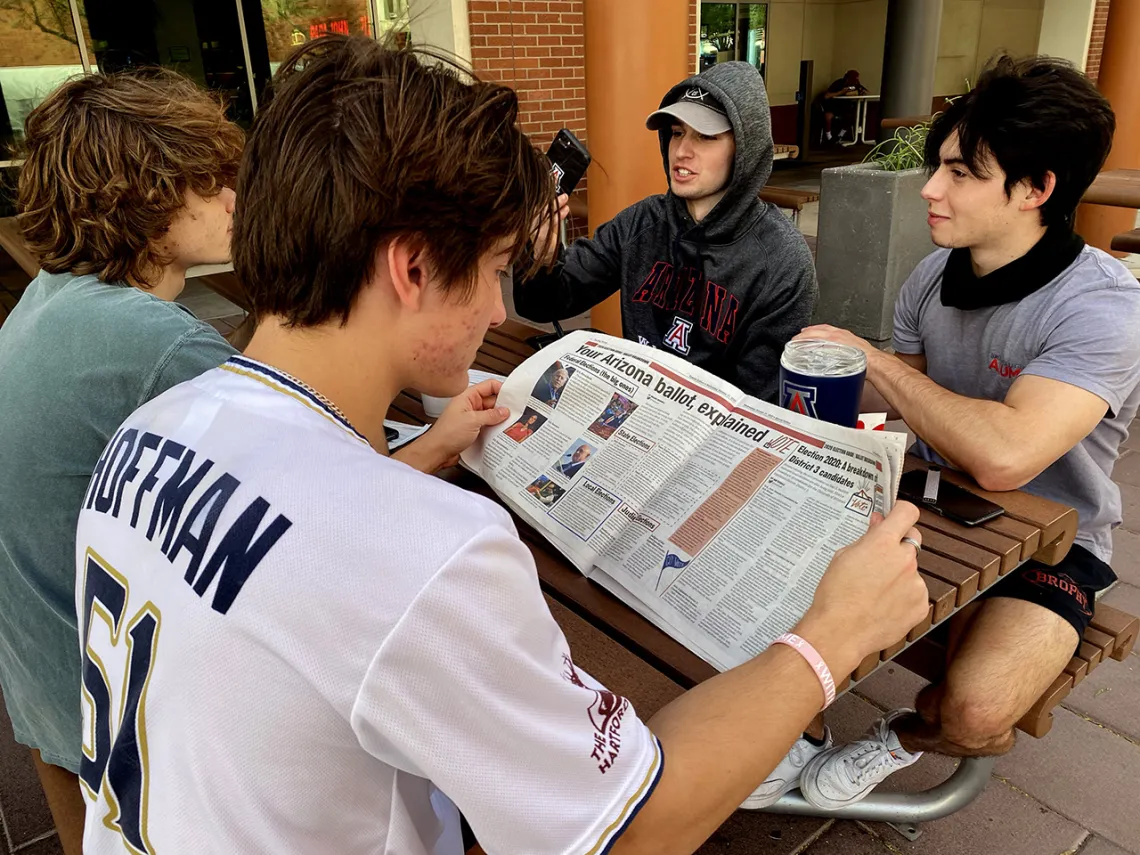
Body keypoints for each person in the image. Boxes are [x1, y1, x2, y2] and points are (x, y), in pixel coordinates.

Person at [75, 35, 928, 854]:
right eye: (489, 269)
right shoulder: (430, 551)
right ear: (411, 268)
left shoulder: (146, 434)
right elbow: (631, 828)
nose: (495, 310)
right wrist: (831, 636)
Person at [792, 55, 1136, 809]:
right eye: (935, 166)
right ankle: (787, 729)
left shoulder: (1104, 307)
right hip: (934, 503)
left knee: (975, 710)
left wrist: (877, 363)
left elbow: (1008, 456)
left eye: (960, 172)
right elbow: (908, 421)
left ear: (1036, 188)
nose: (930, 189)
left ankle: (898, 739)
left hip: (1056, 539)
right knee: (765, 552)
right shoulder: (932, 276)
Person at [0, 69, 245, 855]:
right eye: (212, 178)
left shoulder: (44, 302)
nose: (235, 196)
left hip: (43, 689)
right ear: (147, 193)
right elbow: (310, 502)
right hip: (124, 724)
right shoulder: (158, 344)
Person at [513, 61, 816, 402]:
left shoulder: (781, 261)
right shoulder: (641, 224)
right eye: (676, 132)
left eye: (705, 136)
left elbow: (762, 403)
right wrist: (539, 254)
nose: (682, 151)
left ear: (744, 149)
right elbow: (545, 305)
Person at [815, 69, 868, 145]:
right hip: (832, 105)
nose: (856, 80)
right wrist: (841, 92)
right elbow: (826, 96)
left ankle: (840, 136)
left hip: (844, 106)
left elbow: (866, 92)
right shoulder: (839, 83)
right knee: (828, 116)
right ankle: (829, 137)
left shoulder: (855, 84)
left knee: (851, 115)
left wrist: (860, 92)